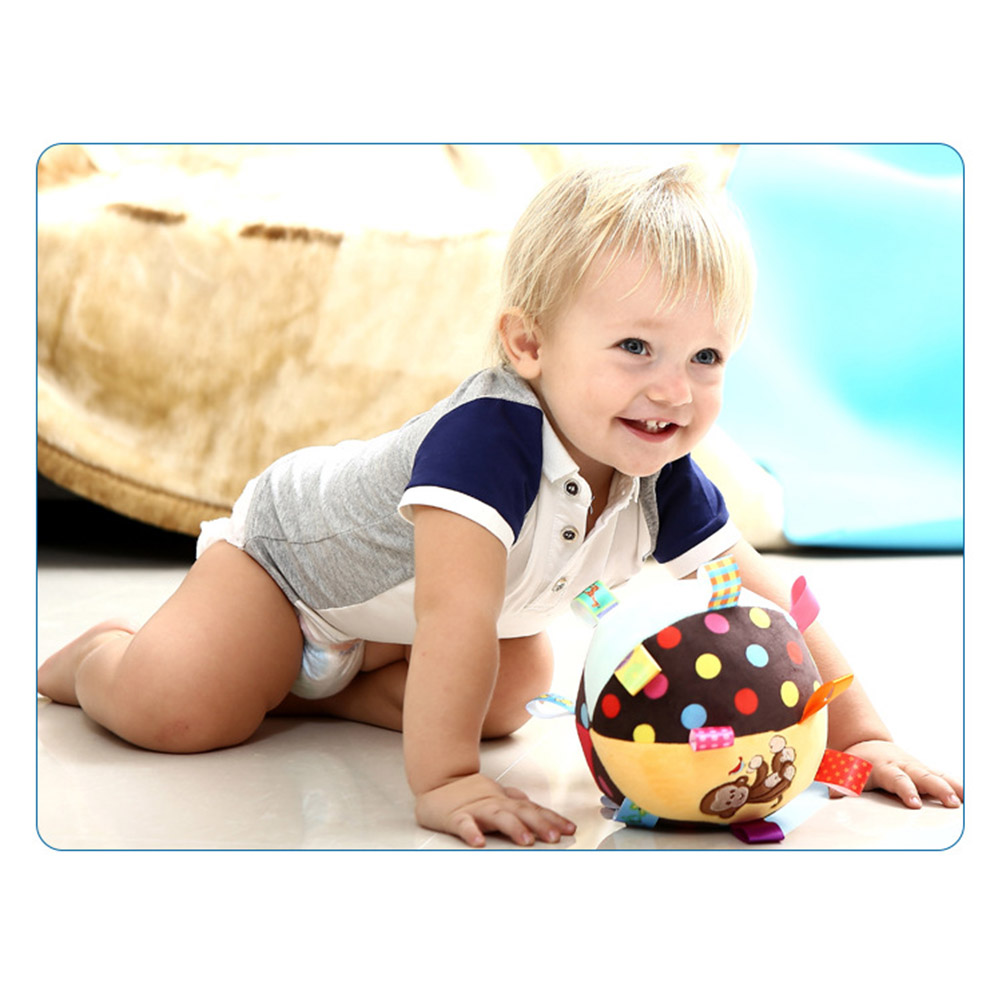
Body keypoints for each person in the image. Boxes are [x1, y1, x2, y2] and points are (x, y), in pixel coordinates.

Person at [38, 163, 963, 847]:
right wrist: (446, 782)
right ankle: (97, 658)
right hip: (290, 572)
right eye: (635, 347)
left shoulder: (662, 473)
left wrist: (864, 739)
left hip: (398, 623)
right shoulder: (488, 442)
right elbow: (454, 615)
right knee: (182, 714)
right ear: (528, 345)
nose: (673, 390)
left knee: (514, 687)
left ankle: (314, 691)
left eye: (706, 357)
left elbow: (768, 599)